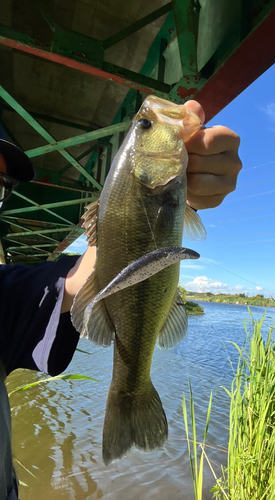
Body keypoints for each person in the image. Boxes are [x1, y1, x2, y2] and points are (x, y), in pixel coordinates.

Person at [0, 100, 241, 500]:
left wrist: (188, 194)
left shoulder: (6, 296)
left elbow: (84, 275)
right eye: (145, 125)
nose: (148, 119)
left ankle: (130, 389)